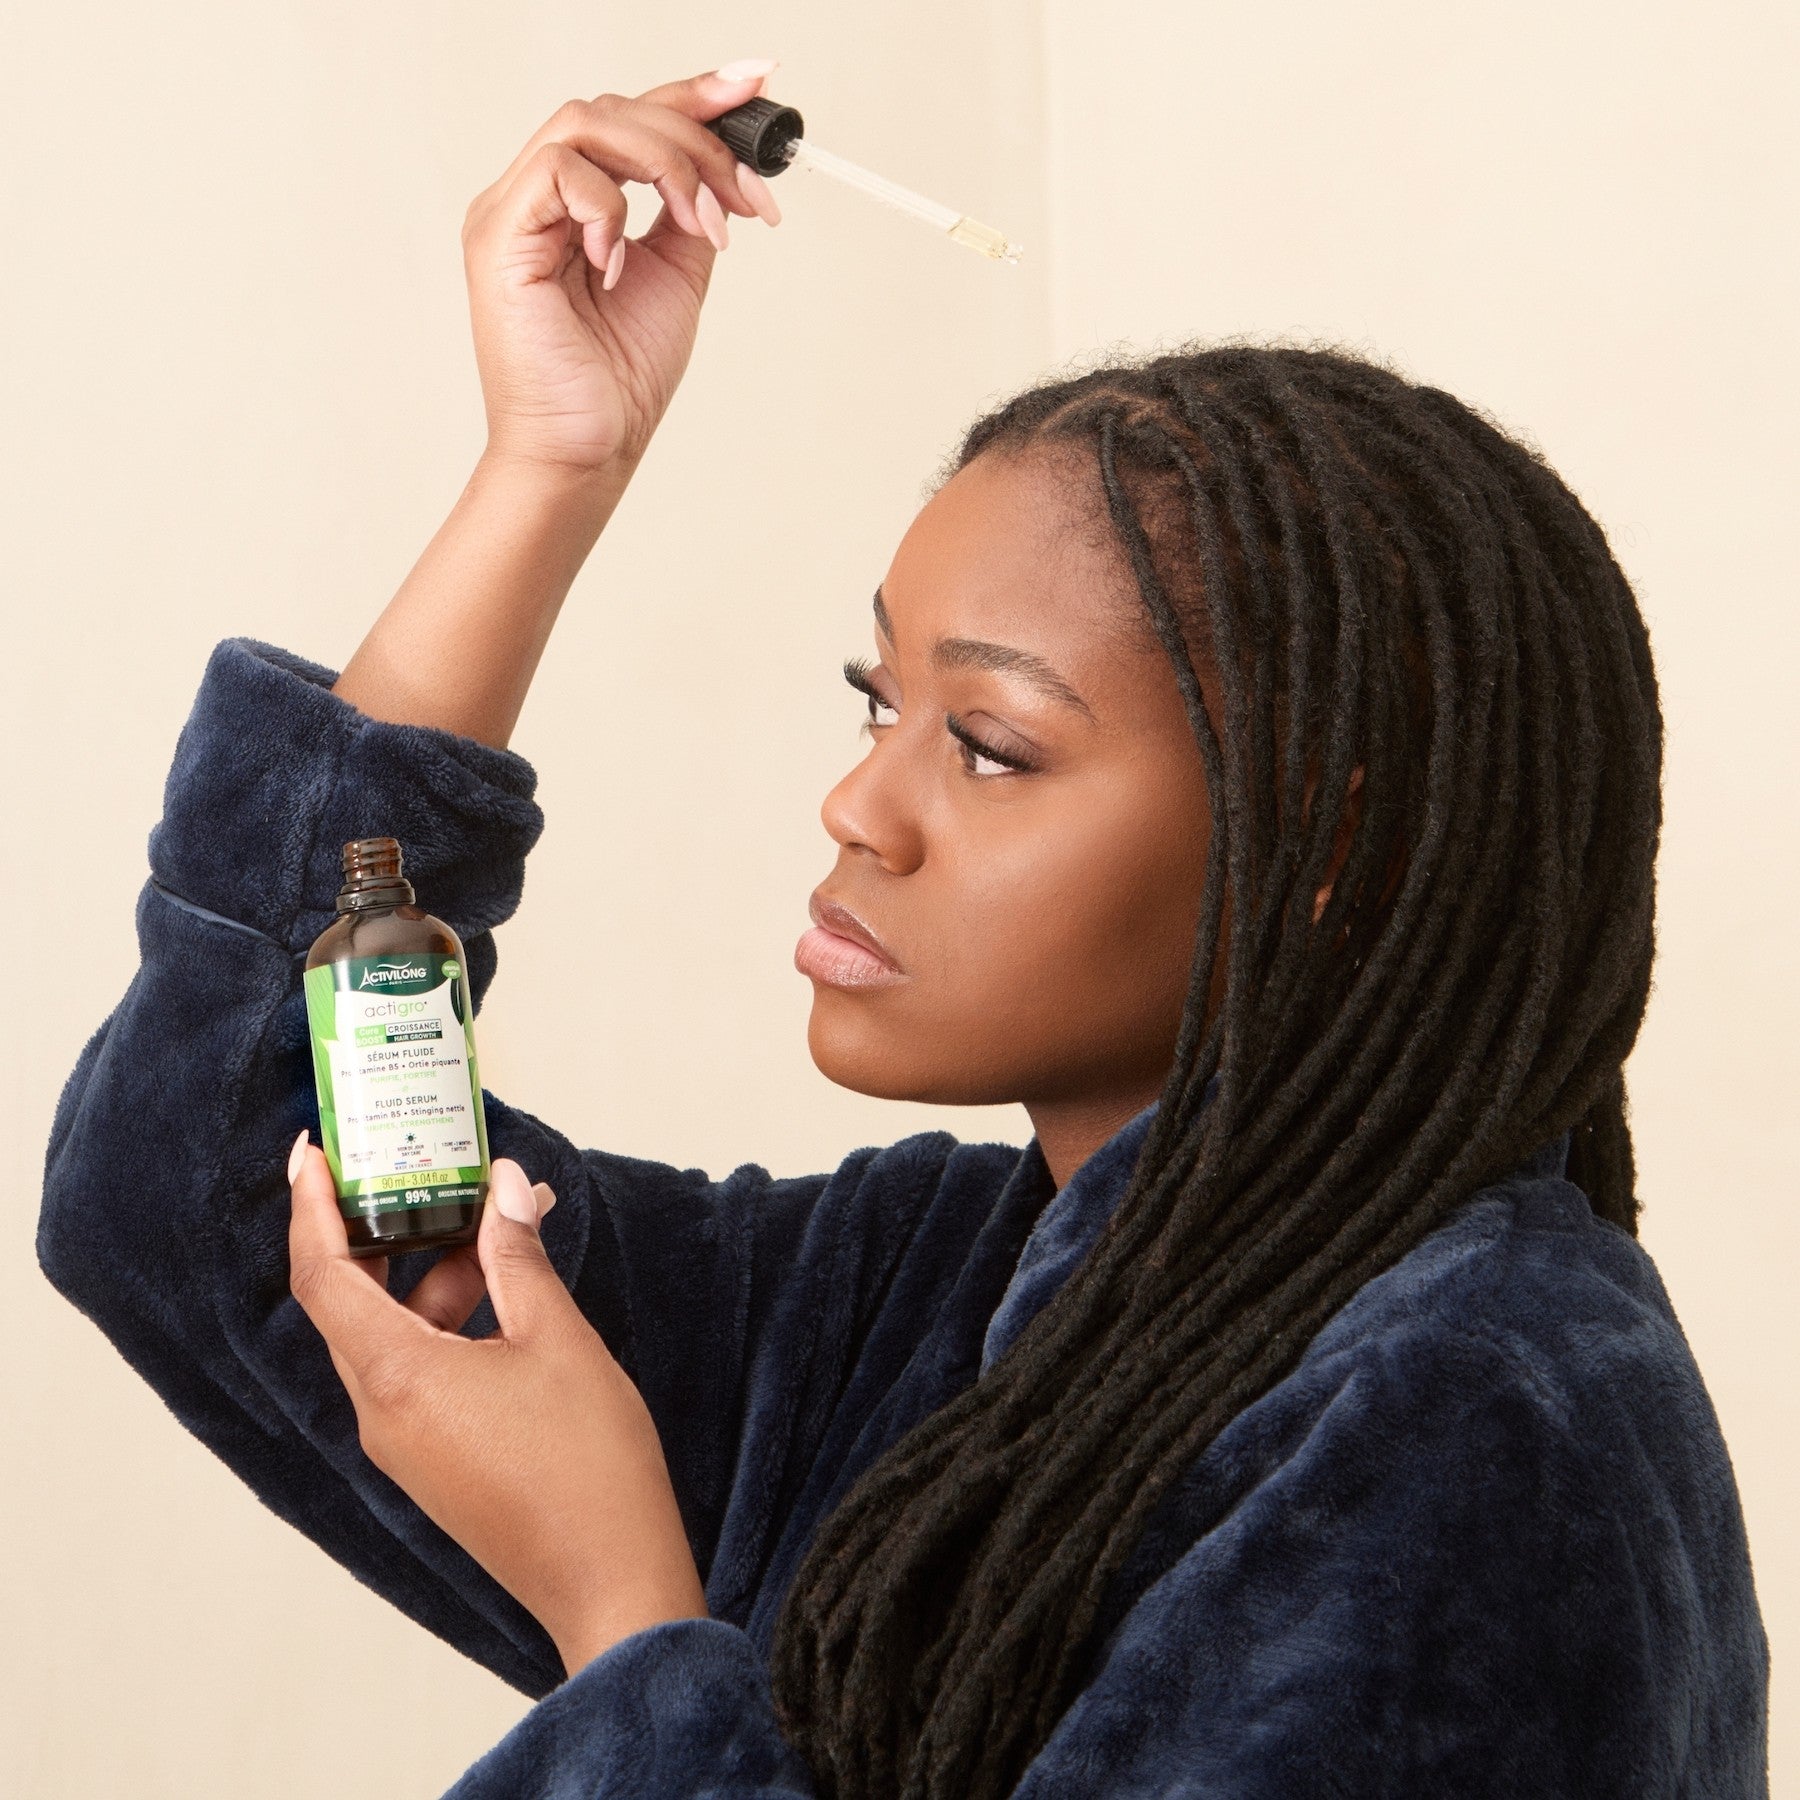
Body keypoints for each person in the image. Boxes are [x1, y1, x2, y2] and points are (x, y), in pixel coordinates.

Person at [36, 60, 1769, 1800]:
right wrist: (548, 465)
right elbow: (202, 1183)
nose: (859, 806)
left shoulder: (1481, 1419)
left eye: (992, 746)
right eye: (880, 703)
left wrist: (625, 1616)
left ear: (1334, 848)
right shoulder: (949, 1289)